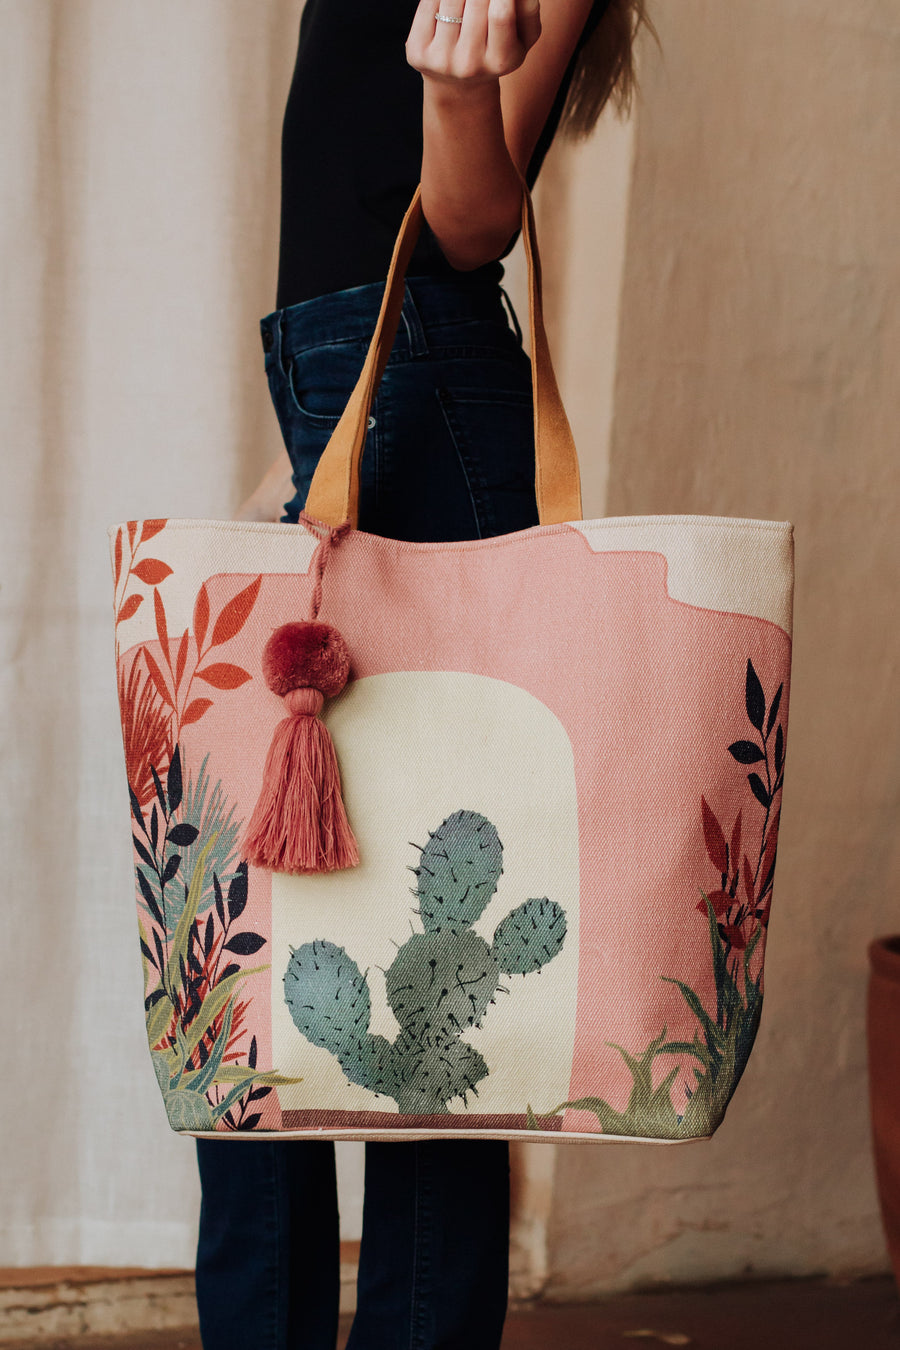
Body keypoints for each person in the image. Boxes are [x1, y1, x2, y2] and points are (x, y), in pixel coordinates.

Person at [196, 2, 651, 1347]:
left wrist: (457, 93)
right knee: (251, 946)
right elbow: (349, 206)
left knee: (439, 969)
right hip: (351, 397)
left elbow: (465, 229)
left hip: (431, 395)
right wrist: (292, 474)